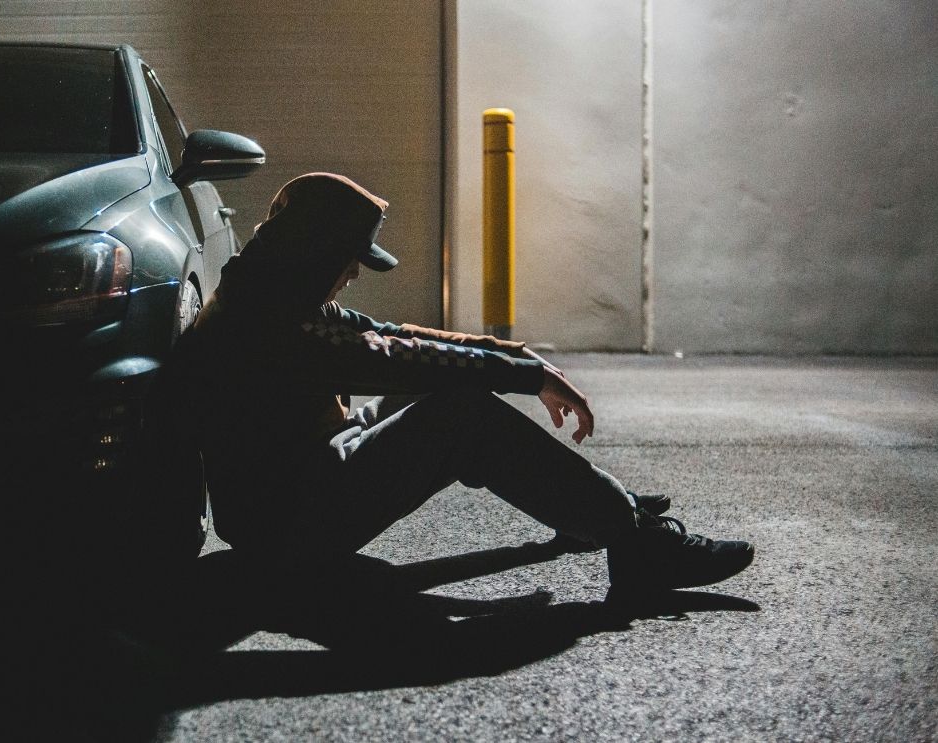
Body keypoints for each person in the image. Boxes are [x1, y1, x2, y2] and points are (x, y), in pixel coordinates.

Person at [172, 172, 753, 594]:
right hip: (287, 525)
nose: (352, 274)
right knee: (462, 416)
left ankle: (595, 506)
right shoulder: (270, 324)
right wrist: (522, 375)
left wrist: (519, 358)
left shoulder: (268, 290)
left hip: (297, 478)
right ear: (316, 251)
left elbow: (391, 334)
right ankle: (637, 543)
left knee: (431, 392)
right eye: (349, 259)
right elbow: (397, 358)